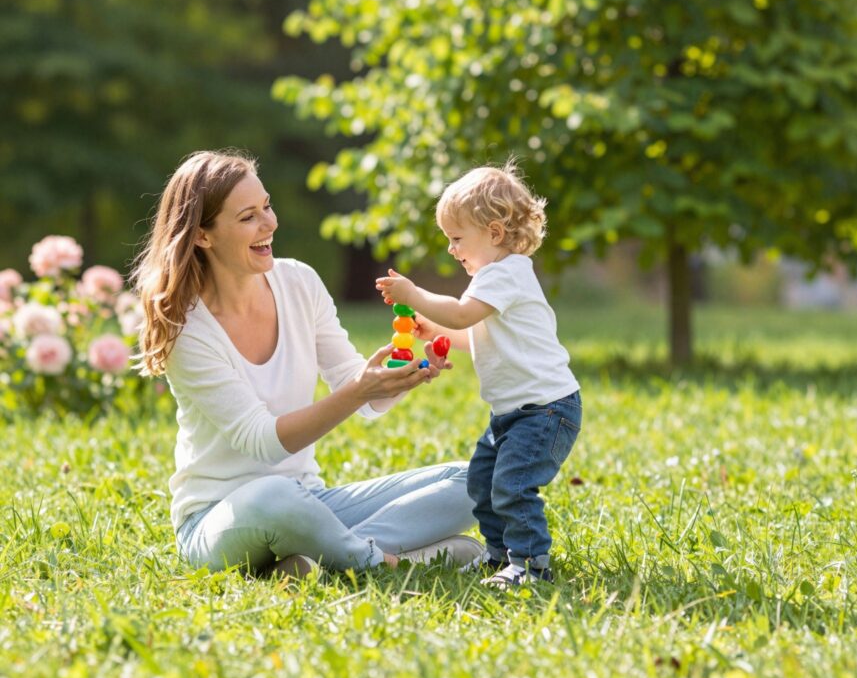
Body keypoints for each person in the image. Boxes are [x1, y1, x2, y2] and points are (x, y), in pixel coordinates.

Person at [132, 149, 482, 579]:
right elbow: (263, 442)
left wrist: (399, 377)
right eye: (247, 218)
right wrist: (359, 390)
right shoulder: (187, 328)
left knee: (475, 481)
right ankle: (386, 562)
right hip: (220, 519)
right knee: (275, 497)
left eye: (267, 206)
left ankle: (319, 557)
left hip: (310, 502)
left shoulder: (298, 282)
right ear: (203, 236)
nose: (270, 223)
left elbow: (363, 397)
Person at [375, 161, 582, 586]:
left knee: (512, 486)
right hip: (512, 413)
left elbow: (464, 312)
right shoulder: (493, 277)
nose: (452, 250)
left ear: (494, 232)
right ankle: (498, 555)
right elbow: (477, 331)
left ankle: (529, 565)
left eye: (456, 239)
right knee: (483, 484)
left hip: (544, 411)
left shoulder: (506, 274)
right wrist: (437, 330)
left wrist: (415, 295)